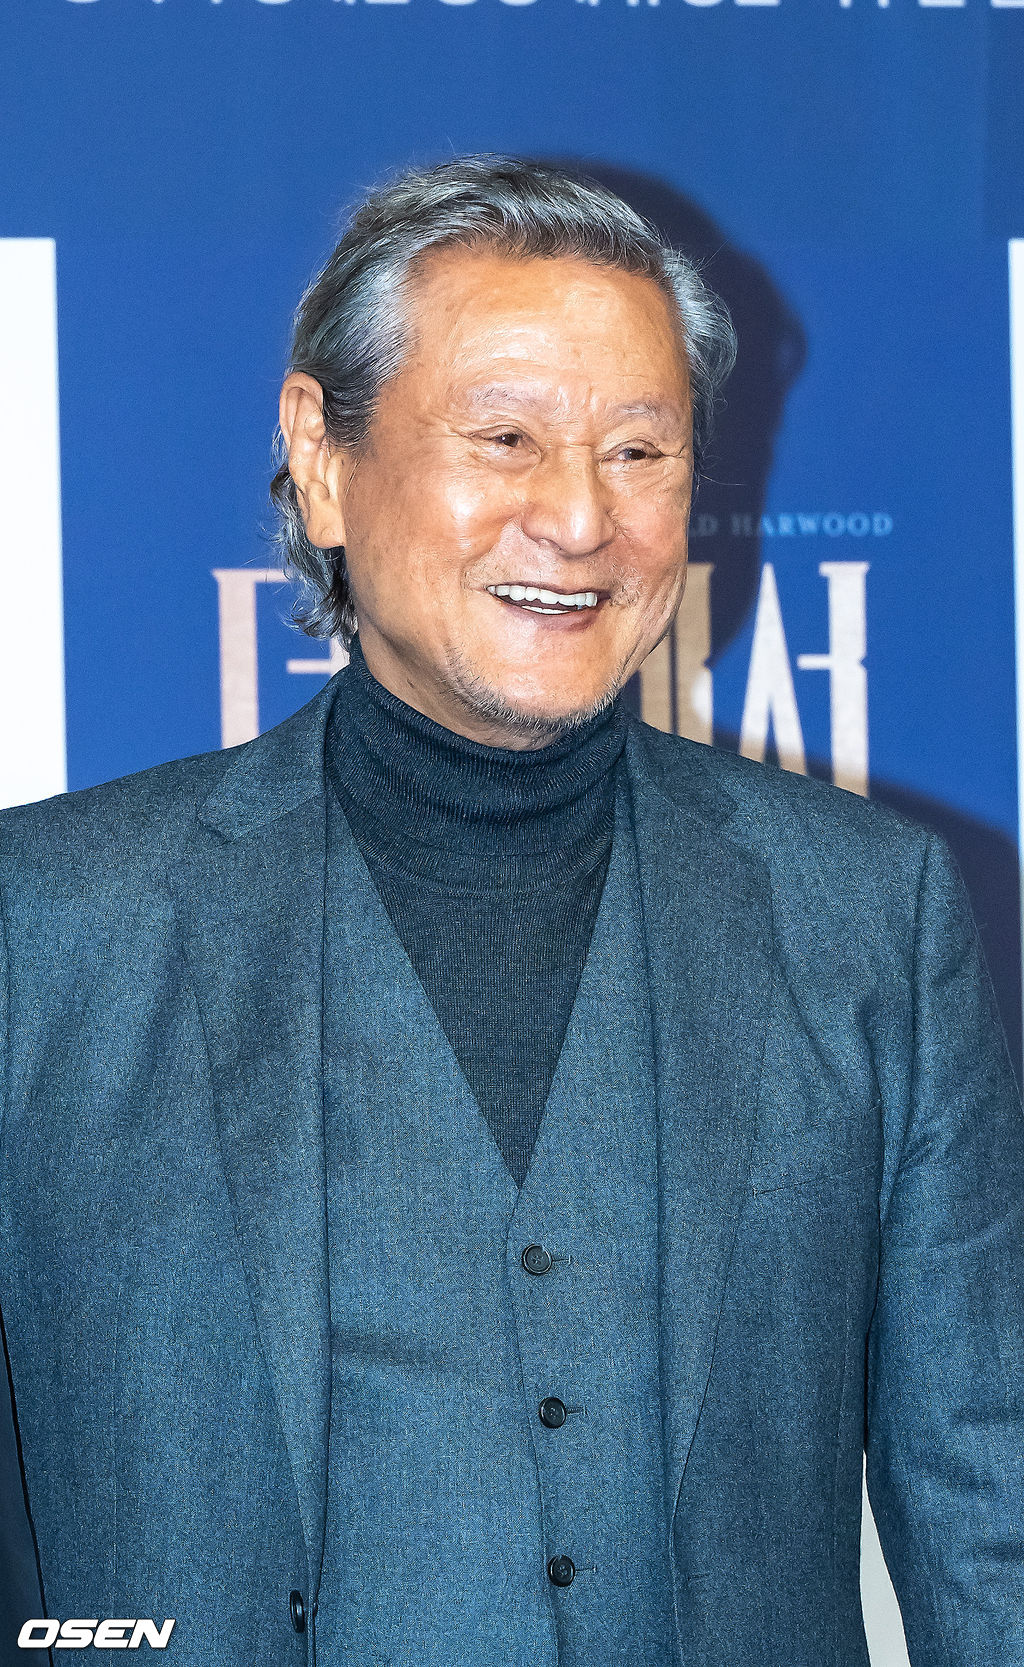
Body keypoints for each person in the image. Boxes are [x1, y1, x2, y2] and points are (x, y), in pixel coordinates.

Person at [1, 155, 1022, 1667]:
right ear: (323, 456)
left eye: (639, 452)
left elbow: (987, 1493)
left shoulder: (869, 913)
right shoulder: (45, 926)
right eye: (506, 439)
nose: (580, 518)